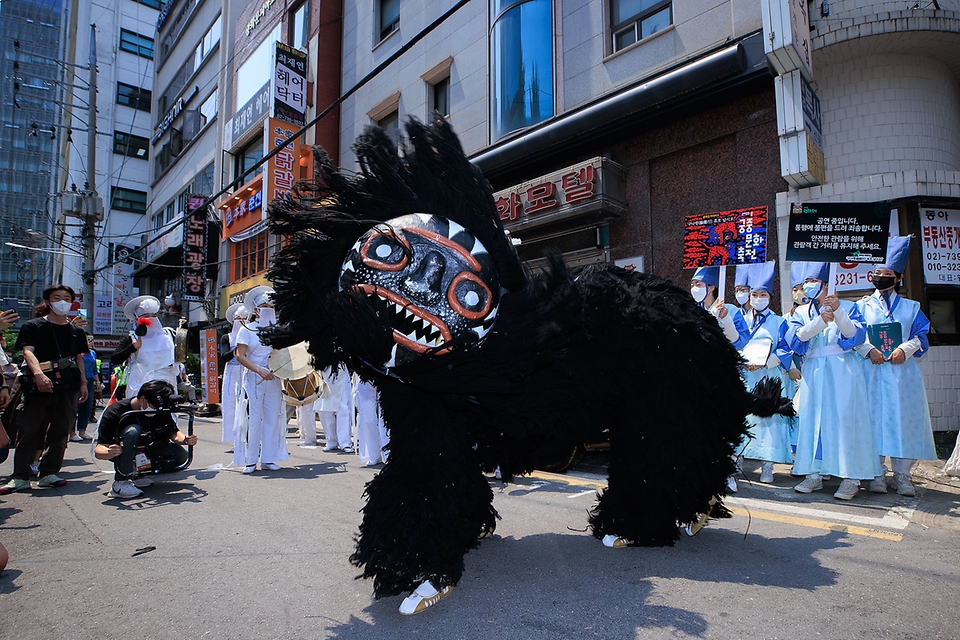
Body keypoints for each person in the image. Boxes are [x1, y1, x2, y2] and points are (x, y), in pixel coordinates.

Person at [786, 262, 879, 500]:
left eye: (814, 282)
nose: (809, 287)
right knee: (813, 420)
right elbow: (797, 339)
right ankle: (815, 472)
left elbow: (854, 335)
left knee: (846, 419)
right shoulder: (800, 312)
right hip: (815, 371)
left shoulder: (849, 306)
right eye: (806, 282)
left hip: (843, 370)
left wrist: (838, 312)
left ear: (827, 284)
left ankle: (851, 477)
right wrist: (820, 321)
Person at [855, 236, 937, 497]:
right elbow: (854, 336)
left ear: (898, 278)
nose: (881, 277)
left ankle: (903, 475)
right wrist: (869, 350)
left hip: (902, 374)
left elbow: (922, 335)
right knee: (873, 420)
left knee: (904, 421)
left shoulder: (912, 308)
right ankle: (876, 474)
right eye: (877, 273)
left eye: (887, 273)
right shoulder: (861, 306)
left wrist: (905, 348)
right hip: (872, 371)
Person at [1, 285, 89, 495]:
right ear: (48, 301)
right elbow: (27, 352)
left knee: (61, 429)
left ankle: (49, 472)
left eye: (67, 298)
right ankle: (20, 476)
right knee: (29, 428)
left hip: (67, 386)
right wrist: (38, 374)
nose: (62, 302)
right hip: (36, 385)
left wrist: (83, 383)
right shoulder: (33, 326)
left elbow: (79, 358)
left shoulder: (76, 332)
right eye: (57, 297)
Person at [735, 262, 795, 484]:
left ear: (770, 296)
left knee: (768, 421)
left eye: (762, 294)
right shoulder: (739, 320)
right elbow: (734, 343)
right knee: (744, 418)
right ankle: (738, 459)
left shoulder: (779, 322)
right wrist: (742, 361)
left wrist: (766, 362)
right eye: (754, 294)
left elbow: (786, 348)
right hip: (745, 377)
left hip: (768, 377)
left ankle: (768, 466)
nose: (757, 297)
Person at [93, 379, 198, 499]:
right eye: (153, 405)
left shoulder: (160, 410)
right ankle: (121, 483)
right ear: (143, 398)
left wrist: (186, 440)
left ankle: (139, 475)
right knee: (133, 431)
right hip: (123, 452)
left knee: (179, 454)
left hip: (150, 449)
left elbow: (173, 433)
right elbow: (99, 450)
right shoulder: (116, 412)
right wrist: (109, 452)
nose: (155, 409)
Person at [233, 286, 288, 473]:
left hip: (274, 378)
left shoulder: (277, 330)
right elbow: (240, 355)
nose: (268, 308)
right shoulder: (247, 329)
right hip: (254, 378)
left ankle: (269, 458)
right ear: (255, 310)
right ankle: (250, 460)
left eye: (271, 306)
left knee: (273, 417)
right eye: (264, 305)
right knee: (254, 419)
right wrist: (259, 370)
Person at [111, 295, 178, 401]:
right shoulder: (132, 338)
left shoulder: (169, 334)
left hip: (166, 383)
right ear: (137, 318)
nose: (151, 318)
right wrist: (132, 347)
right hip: (141, 383)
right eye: (146, 315)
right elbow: (115, 358)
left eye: (154, 315)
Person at [220, 303, 249, 444]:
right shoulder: (227, 337)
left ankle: (248, 436)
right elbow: (224, 356)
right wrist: (236, 351)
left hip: (247, 371)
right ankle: (233, 437)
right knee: (231, 404)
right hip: (232, 372)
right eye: (239, 319)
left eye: (245, 318)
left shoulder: (250, 335)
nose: (242, 322)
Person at [316, 364, 354, 453]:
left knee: (343, 408)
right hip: (323, 369)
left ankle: (345, 442)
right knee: (324, 408)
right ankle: (331, 441)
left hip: (341, 368)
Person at [355, 377, 388, 466]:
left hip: (385, 373)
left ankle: (388, 454)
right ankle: (374, 455)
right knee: (368, 419)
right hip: (365, 377)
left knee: (385, 419)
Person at [71, 333, 97, 442]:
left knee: (87, 406)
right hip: (78, 381)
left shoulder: (92, 353)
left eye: (91, 340)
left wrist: (98, 382)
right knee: (74, 407)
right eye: (88, 340)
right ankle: (72, 433)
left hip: (90, 380)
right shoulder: (78, 353)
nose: (91, 342)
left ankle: (82, 431)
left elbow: (95, 369)